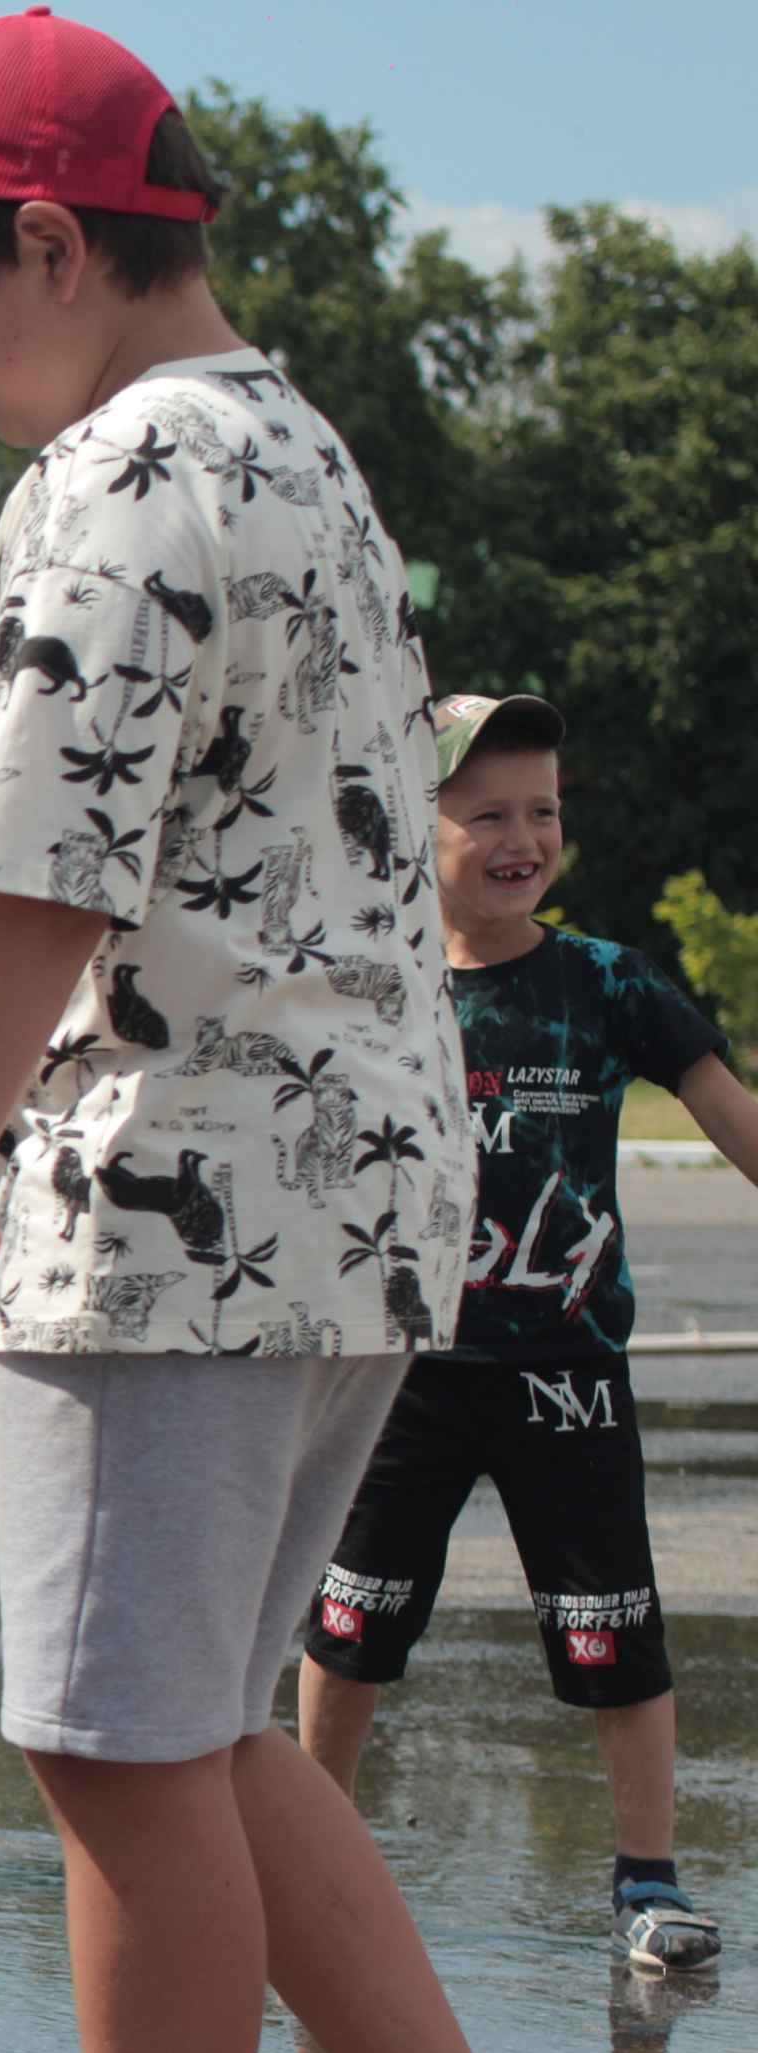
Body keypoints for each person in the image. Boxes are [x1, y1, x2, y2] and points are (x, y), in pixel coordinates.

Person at [0, 13, 610, 2053]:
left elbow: (28, 892)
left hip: (183, 1186)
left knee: (112, 1741)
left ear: (46, 238)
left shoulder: (117, 476)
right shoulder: (305, 456)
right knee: (213, 1726)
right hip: (357, 1175)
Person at [300, 694, 758, 1976]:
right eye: (484, 812)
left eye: (541, 811)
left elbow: (727, 1107)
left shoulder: (604, 983)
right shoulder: (364, 984)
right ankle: (305, 1849)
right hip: (401, 1370)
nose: (520, 836)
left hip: (567, 1376)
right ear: (410, 825)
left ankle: (648, 1882)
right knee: (351, 1623)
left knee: (614, 1628)